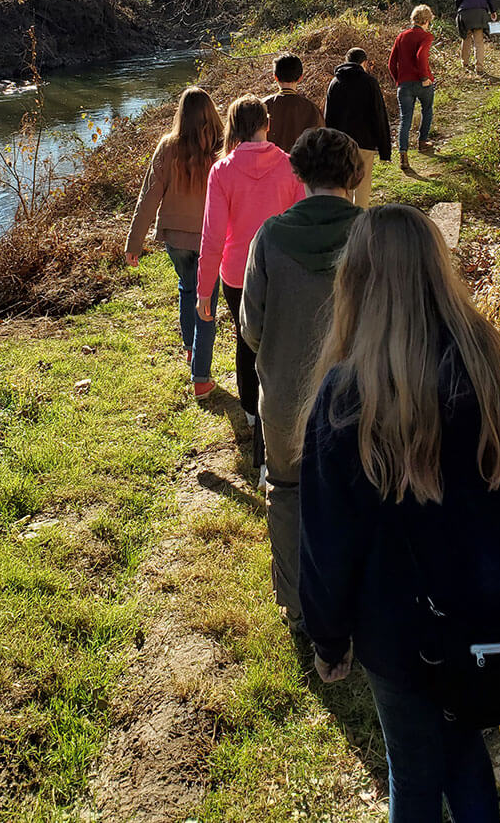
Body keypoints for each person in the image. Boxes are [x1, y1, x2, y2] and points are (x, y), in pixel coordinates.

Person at [299, 205, 500, 823]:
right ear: (440, 274)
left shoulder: (346, 396)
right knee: (463, 746)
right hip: (496, 625)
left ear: (355, 283)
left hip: (398, 639)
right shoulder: (496, 374)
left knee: (412, 774)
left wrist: (329, 638)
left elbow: (328, 542)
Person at [240, 127, 364, 631]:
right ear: (353, 174)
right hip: (360, 397)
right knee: (355, 496)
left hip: (286, 398)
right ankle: (353, 600)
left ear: (298, 174)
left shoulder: (269, 236)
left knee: (288, 496)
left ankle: (296, 606)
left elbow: (250, 328)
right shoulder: (372, 233)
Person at [197, 95, 305, 479]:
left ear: (233, 127)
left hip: (237, 273)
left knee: (246, 341)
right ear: (267, 123)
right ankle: (275, 416)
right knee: (278, 346)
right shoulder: (291, 166)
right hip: (282, 271)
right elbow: (300, 222)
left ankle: (248, 408)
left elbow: (212, 237)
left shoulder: (222, 170)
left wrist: (203, 289)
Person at [124, 87, 224, 400]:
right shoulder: (223, 147)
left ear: (181, 113)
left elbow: (148, 197)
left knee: (187, 288)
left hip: (177, 237)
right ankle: (201, 378)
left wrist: (134, 242)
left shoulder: (168, 147)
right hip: (211, 237)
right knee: (205, 298)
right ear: (211, 112)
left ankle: (191, 350)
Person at [323, 48, 392, 207]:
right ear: (364, 63)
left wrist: (328, 145)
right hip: (365, 142)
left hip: (340, 144)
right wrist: (384, 149)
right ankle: (360, 224)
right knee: (362, 186)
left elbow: (328, 116)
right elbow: (378, 115)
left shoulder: (335, 82)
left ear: (346, 60)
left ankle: (344, 222)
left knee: (343, 186)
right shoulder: (369, 82)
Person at [388, 5, 435, 170]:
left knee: (405, 119)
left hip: (405, 84)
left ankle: (403, 157)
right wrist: (424, 77)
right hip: (422, 83)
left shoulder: (401, 36)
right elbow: (421, 56)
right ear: (427, 20)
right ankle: (422, 142)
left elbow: (391, 63)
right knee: (427, 109)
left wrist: (398, 80)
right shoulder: (426, 36)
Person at [263, 53, 324, 154]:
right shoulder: (312, 109)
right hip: (300, 167)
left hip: (267, 167)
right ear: (300, 78)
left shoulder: (262, 106)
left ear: (275, 77)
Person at [452, 0, 499, 77]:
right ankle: (479, 67)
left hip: (465, 11)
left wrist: (460, 7)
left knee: (466, 38)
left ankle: (465, 63)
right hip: (480, 11)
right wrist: (493, 10)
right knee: (479, 41)